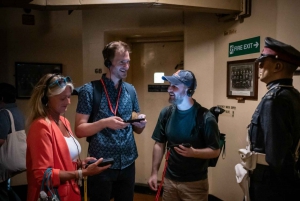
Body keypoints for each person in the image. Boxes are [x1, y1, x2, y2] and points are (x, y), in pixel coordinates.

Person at [75, 41, 147, 201]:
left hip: (128, 161)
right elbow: (79, 130)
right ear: (108, 62)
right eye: (122, 62)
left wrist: (140, 124)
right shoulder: (90, 90)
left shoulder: (130, 90)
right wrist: (104, 122)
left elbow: (137, 128)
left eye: (128, 61)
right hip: (101, 164)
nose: (127, 66)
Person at [26, 74, 111, 201]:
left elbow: (62, 161)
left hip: (70, 192)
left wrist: (80, 165)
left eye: (69, 97)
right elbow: (43, 175)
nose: (68, 102)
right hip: (54, 195)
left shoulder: (64, 122)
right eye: (62, 98)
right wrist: (82, 173)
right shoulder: (41, 126)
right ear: (46, 99)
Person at [148, 70, 220, 201]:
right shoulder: (166, 113)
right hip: (169, 182)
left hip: (195, 185)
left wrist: (194, 153)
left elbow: (215, 151)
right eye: (169, 84)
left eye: (174, 86)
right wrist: (154, 173)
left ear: (189, 90)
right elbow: (159, 144)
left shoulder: (206, 118)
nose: (169, 89)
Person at [247, 37, 300, 201]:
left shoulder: (274, 99)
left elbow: (275, 155)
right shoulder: (294, 95)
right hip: (287, 178)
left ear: (278, 66)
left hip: (270, 182)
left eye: (263, 63)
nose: (259, 67)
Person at [0, 83, 24, 201]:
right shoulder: (17, 111)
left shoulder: (4, 113)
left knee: (2, 189)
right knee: (7, 188)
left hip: (5, 162)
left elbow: (1, 139)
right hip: (16, 159)